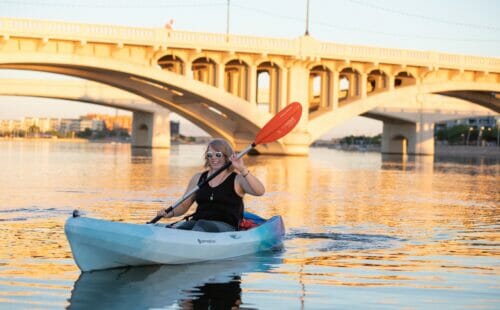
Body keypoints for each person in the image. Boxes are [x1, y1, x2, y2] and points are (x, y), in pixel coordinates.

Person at [156, 138, 265, 232]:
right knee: (182, 226)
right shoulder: (198, 178)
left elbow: (260, 191)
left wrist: (242, 169)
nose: (213, 157)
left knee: (201, 225)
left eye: (218, 154)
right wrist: (169, 213)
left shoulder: (237, 179)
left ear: (227, 156)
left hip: (226, 226)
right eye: (209, 155)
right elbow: (184, 205)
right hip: (198, 222)